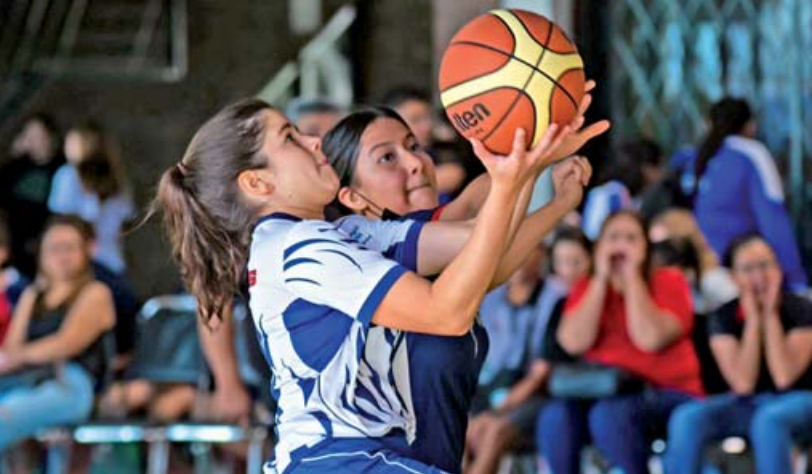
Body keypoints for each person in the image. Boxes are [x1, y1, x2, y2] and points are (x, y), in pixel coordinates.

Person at [153, 98, 577, 474]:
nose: (314, 142)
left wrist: (533, 163)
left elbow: (481, 250)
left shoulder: (339, 234)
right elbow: (446, 312)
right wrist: (511, 180)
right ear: (257, 183)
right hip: (343, 462)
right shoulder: (298, 245)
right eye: (291, 139)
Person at [322, 90, 607, 473]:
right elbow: (485, 229)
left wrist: (542, 154)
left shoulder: (423, 239)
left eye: (414, 146)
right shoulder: (364, 246)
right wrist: (534, 163)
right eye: (388, 157)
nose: (416, 163)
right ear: (353, 197)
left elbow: (484, 232)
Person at [538, 210, 703, 474]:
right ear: (599, 246)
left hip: (665, 391)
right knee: (555, 416)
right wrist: (601, 279)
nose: (621, 246)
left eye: (631, 238)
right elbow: (573, 343)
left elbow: (649, 339)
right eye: (613, 238)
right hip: (603, 390)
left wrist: (632, 276)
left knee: (609, 415)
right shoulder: (587, 286)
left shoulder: (669, 281)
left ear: (646, 247)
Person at [664, 235, 812, 474]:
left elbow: (784, 377)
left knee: (769, 419)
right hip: (747, 403)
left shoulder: (801, 309)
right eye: (748, 269)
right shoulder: (723, 317)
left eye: (765, 265)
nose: (759, 277)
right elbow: (743, 384)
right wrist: (753, 320)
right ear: (733, 276)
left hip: (800, 399)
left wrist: (770, 315)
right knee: (687, 417)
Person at [465, 227, 592, 474]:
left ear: (541, 254)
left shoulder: (556, 297)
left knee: (493, 433)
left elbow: (539, 374)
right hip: (486, 392)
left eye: (527, 247)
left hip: (534, 396)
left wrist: (493, 412)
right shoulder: (490, 297)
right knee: (458, 432)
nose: (519, 257)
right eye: (511, 249)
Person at [0, 215, 115, 450]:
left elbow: (65, 344)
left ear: (87, 250)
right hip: (29, 381)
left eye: (69, 248)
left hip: (72, 384)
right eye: (53, 248)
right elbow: (11, 348)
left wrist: (19, 356)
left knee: (6, 415)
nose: (61, 256)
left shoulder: (96, 292)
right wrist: (31, 298)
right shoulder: (33, 295)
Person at [670, 97, 808, 292]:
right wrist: (795, 281)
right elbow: (773, 219)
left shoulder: (694, 158)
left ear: (708, 124)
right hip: (741, 275)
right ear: (750, 125)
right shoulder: (750, 153)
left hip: (698, 273)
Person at [48, 121, 135, 274]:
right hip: (113, 262)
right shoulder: (118, 180)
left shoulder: (68, 175)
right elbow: (125, 224)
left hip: (80, 265)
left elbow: (62, 221)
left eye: (72, 141)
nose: (66, 145)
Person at [0, 114, 65, 277]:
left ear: (50, 137)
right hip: (12, 238)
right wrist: (13, 156)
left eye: (37, 135)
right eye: (29, 135)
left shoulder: (61, 169)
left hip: (38, 241)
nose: (32, 140)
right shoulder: (18, 166)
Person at [382, 86, 467, 198]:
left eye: (429, 118)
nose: (427, 126)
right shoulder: (383, 161)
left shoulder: (438, 151)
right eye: (415, 120)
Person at [650, 209, 738, 314]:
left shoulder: (712, 279)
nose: (660, 256)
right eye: (653, 248)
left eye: (665, 247)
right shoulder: (674, 287)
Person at [581, 138, 664, 240]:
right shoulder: (609, 194)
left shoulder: (641, 198)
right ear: (645, 169)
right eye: (659, 166)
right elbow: (593, 234)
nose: (662, 173)